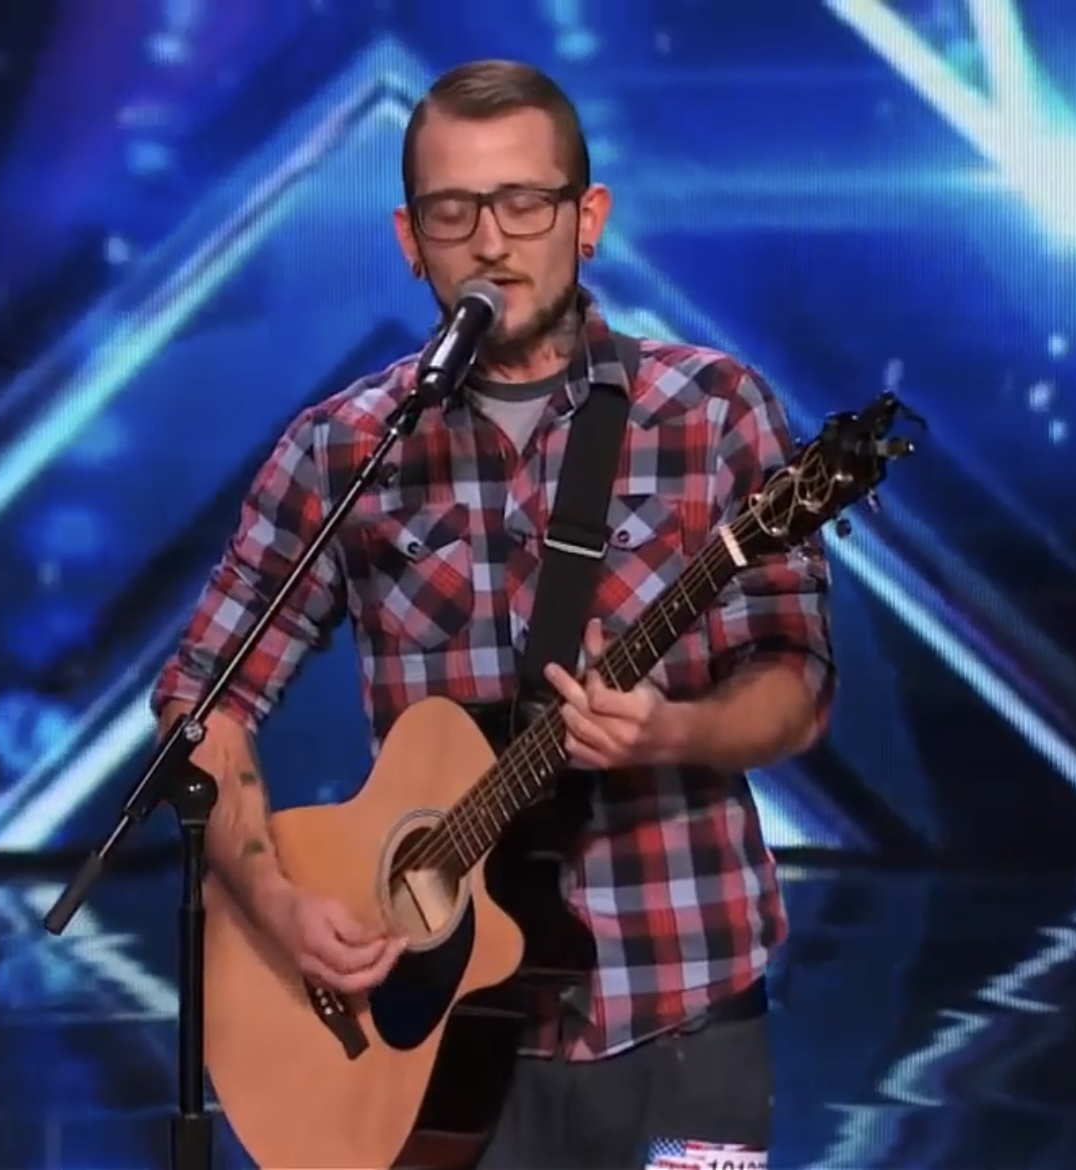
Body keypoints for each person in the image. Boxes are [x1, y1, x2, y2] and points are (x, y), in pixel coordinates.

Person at [150, 58, 834, 1170]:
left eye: (524, 203)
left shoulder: (713, 412)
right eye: (452, 211)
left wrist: (674, 730)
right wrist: (276, 905)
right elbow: (200, 703)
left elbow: (795, 686)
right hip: (428, 1047)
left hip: (683, 1004)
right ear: (408, 240)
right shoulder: (342, 448)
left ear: (587, 218)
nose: (490, 241)